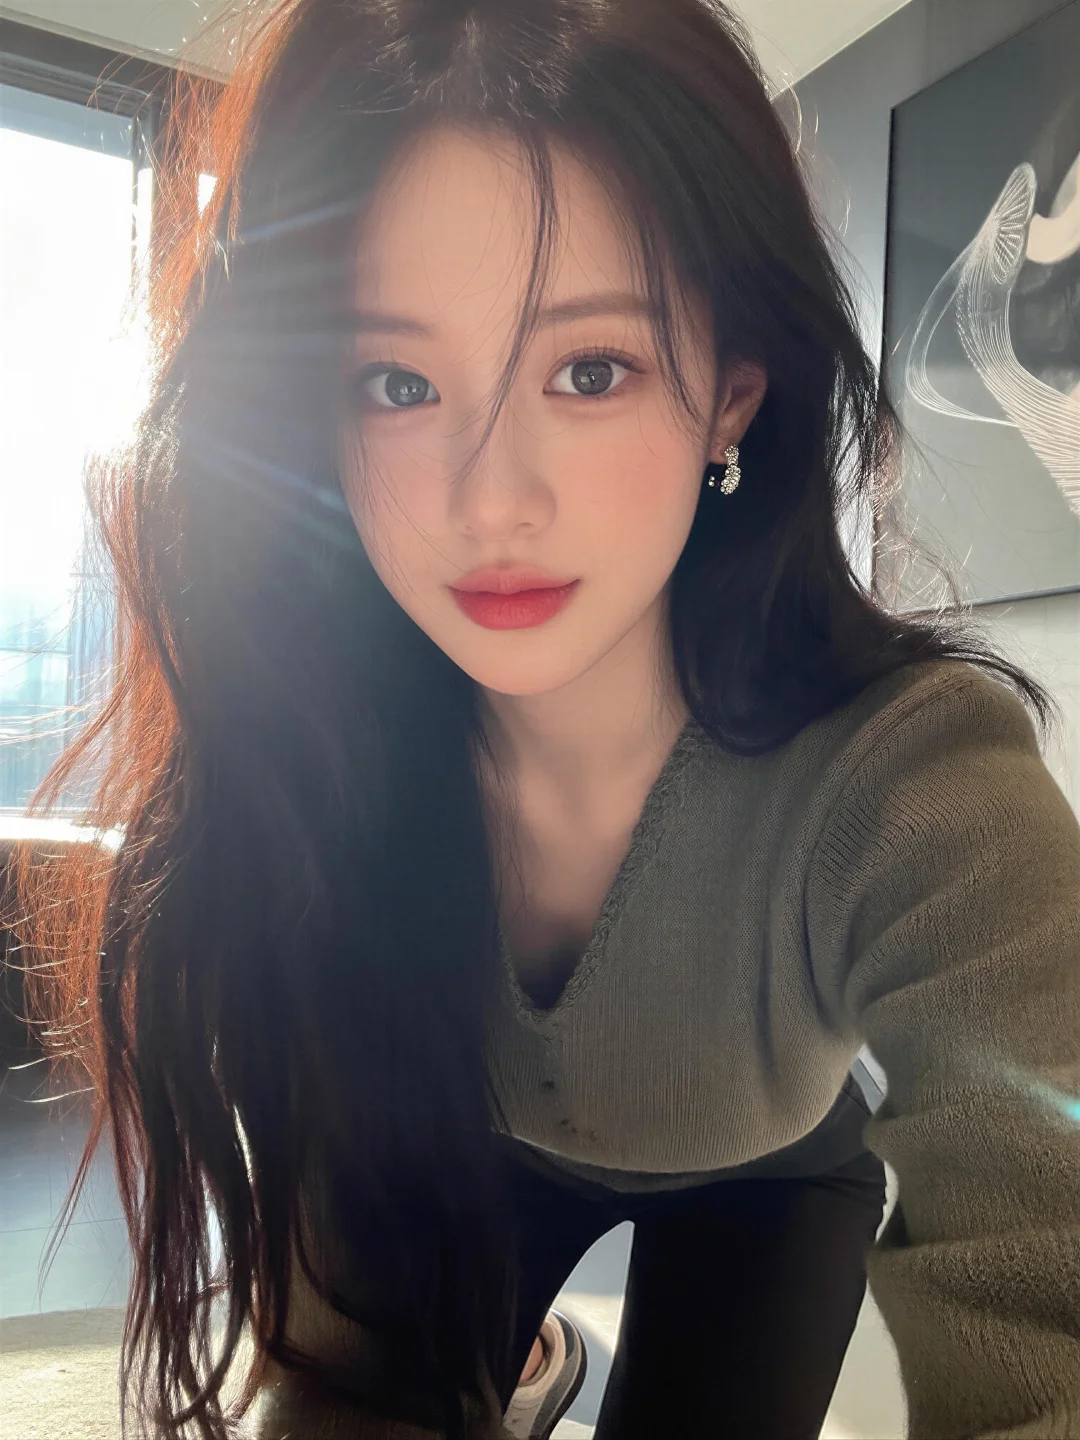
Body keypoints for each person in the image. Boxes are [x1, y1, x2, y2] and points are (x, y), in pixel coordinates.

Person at [15, 1, 1080, 1437]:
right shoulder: (322, 752)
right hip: (463, 1146)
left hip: (767, 1176)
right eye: (398, 383)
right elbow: (327, 1323)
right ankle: (533, 1368)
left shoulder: (914, 782)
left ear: (732, 398)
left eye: (590, 371)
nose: (489, 500)